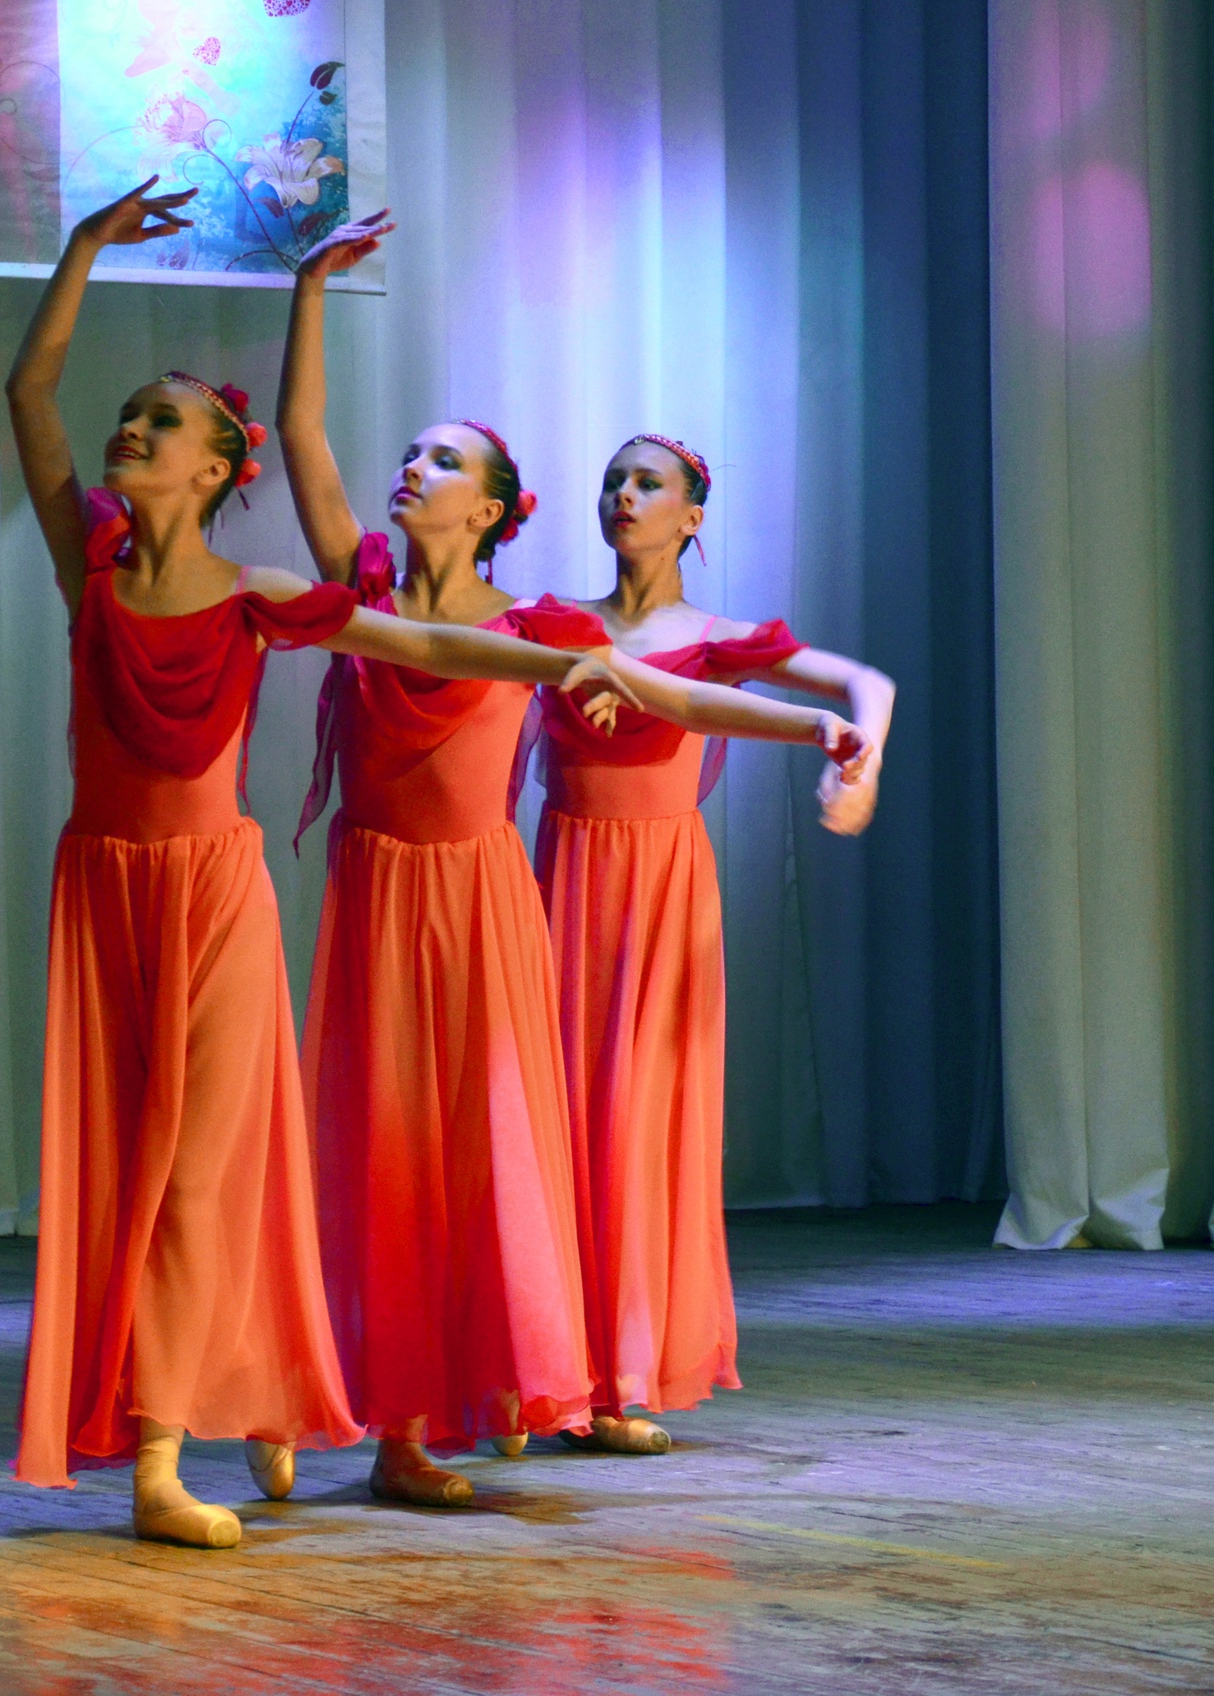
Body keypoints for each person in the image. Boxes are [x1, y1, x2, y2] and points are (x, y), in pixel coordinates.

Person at [5, 183, 642, 1550]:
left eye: (161, 421)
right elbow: (29, 392)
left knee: (207, 1172)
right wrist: (81, 250)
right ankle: (254, 1389)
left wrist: (563, 663)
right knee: (127, 1174)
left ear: (215, 470)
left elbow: (426, 647)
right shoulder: (92, 575)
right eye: (133, 414)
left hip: (218, 898)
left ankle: (171, 1452)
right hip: (105, 895)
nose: (131, 429)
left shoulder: (260, 600)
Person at [279, 213, 873, 1505]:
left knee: (481, 1156)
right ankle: (333, 1402)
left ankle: (457, 1399)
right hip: (378, 898)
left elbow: (682, 696)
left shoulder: (539, 626)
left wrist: (814, 727)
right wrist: (308, 289)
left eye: (442, 458)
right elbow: (302, 439)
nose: (411, 467)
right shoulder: (360, 586)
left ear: (491, 508)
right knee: (369, 1149)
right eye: (410, 452)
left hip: (484, 900)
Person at [535, 432, 896, 1455]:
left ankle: (620, 1374)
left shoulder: (716, 637)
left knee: (638, 1122)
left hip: (659, 890)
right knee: (552, 1118)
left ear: (692, 516)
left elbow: (867, 685)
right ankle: (538, 1369)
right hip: (564, 878)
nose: (624, 494)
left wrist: (860, 767)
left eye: (647, 483)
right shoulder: (553, 625)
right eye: (613, 479)